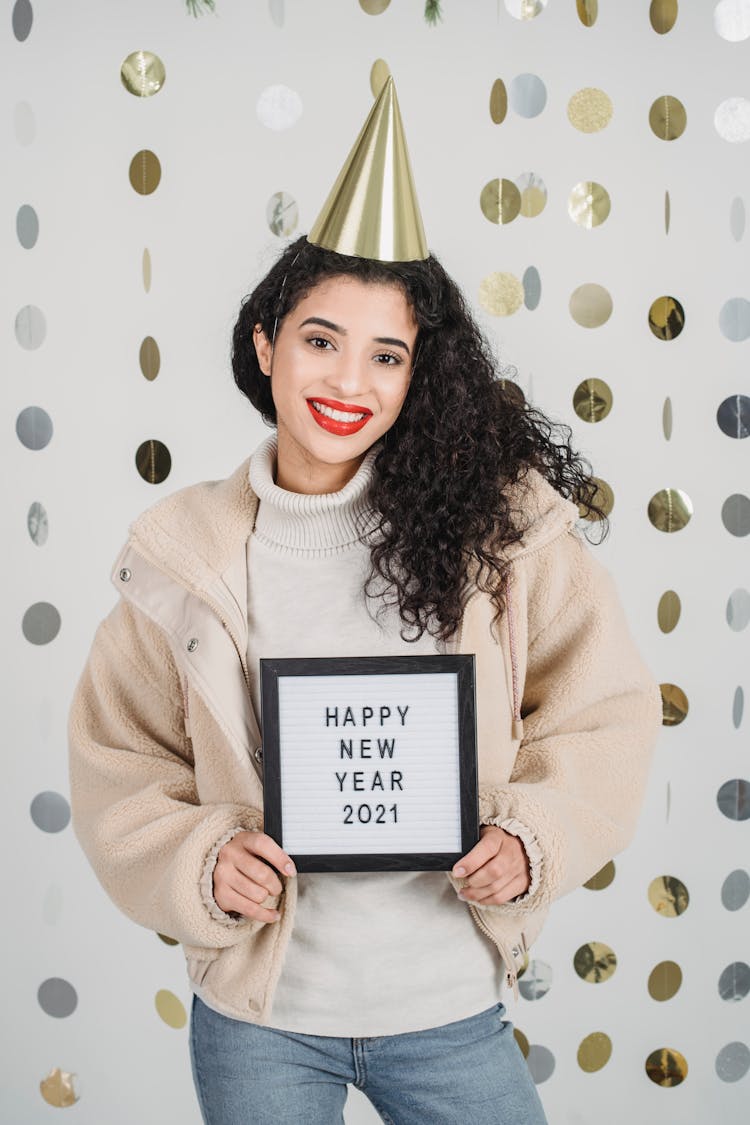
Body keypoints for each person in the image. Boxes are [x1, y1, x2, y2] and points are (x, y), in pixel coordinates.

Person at [68, 79, 661, 1125]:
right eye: (320, 340)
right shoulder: (185, 553)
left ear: (417, 374)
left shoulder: (500, 531)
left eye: (387, 354)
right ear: (266, 344)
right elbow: (120, 763)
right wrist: (199, 862)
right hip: (259, 1017)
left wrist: (534, 836)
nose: (349, 379)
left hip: (448, 1007)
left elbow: (603, 714)